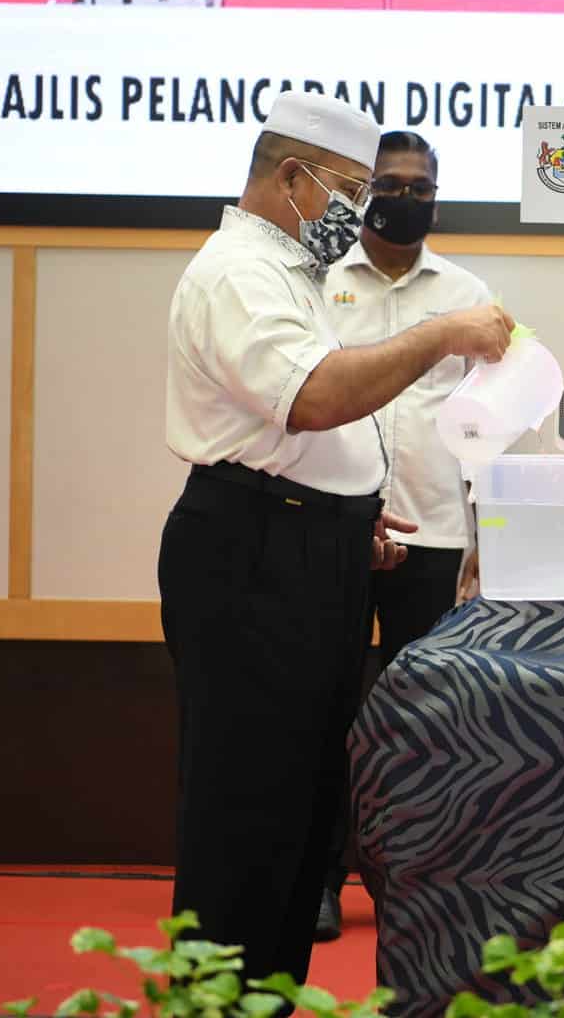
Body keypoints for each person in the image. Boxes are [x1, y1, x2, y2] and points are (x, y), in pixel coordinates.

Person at [159, 90, 514, 985]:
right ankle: (219, 998)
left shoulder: (292, 271)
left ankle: (268, 991)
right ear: (294, 177)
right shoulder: (242, 273)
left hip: (313, 543)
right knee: (247, 800)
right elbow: (315, 396)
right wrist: (438, 334)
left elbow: (304, 429)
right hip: (253, 551)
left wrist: (348, 509)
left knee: (302, 792)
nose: (360, 213)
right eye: (352, 191)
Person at [313, 130, 491, 941]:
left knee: (426, 721)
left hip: (436, 534)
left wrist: (486, 539)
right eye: (390, 184)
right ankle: (317, 881)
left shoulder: (467, 295)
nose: (406, 198)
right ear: (363, 193)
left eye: (421, 187)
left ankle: (415, 885)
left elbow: (488, 428)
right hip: (332, 526)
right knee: (324, 712)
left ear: (438, 200)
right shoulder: (317, 282)